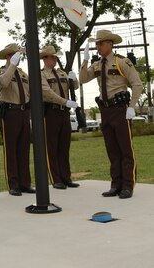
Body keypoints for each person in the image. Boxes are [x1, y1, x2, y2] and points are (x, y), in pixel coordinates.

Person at [80, 29, 143, 199]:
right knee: (112, 150)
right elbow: (83, 79)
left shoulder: (122, 62)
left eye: (100, 43)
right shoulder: (97, 64)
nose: (97, 47)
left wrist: (132, 106)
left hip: (120, 109)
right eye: (96, 44)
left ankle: (127, 186)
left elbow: (137, 84)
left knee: (125, 149)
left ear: (110, 44)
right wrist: (85, 60)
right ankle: (116, 185)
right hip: (105, 111)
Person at [0, 43, 35, 196]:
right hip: (10, 113)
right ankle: (13, 184)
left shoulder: (23, 74)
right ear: (8, 56)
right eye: (14, 55)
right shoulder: (2, 71)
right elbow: (3, 83)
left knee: (24, 150)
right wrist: (11, 65)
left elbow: (30, 91)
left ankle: (25, 183)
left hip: (24, 112)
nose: (18, 58)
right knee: (11, 150)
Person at [40, 45, 80, 190]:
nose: (54, 59)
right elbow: (47, 93)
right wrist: (65, 102)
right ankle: (56, 178)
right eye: (51, 57)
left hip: (64, 113)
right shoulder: (42, 74)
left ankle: (66, 177)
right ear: (44, 58)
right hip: (51, 112)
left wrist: (74, 79)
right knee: (52, 146)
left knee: (64, 146)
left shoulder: (62, 73)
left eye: (55, 57)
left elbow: (74, 87)